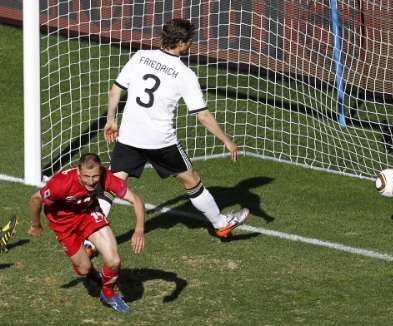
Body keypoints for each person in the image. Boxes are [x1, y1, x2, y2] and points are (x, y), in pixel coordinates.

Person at [101, 18, 249, 238]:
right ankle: (220, 224)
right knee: (191, 180)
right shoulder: (185, 74)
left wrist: (111, 119)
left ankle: (90, 239)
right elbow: (203, 115)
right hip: (161, 142)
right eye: (190, 41)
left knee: (112, 185)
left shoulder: (140, 56)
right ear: (180, 43)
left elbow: (115, 91)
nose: (191, 45)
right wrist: (225, 139)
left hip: (130, 136)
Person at [27, 153, 145, 313]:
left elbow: (135, 200)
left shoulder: (106, 177)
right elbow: (36, 199)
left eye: (95, 176)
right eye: (86, 176)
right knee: (84, 268)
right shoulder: (61, 183)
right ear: (78, 172)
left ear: (101, 172)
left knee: (114, 261)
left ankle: (108, 293)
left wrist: (139, 229)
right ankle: (91, 274)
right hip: (63, 225)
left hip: (88, 215)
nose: (91, 181)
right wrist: (36, 224)